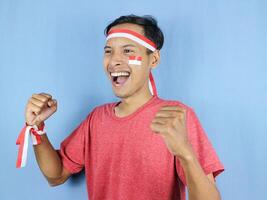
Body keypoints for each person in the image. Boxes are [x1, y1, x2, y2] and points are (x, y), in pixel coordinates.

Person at [19, 15, 224, 200]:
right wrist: (37, 128)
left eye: (127, 51)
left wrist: (185, 153)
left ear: (153, 59)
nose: (114, 60)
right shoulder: (96, 119)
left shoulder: (176, 116)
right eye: (109, 51)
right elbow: (56, 175)